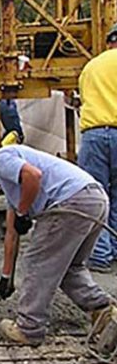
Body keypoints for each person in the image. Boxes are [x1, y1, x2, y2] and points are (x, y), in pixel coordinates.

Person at [0, 124, 114, 346]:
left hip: (70, 202)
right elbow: (11, 233)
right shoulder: (9, 180)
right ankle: (103, 310)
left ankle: (29, 328)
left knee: (38, 263)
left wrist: (23, 211)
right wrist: (6, 277)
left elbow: (33, 175)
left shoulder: (0, 158)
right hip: (94, 200)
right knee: (69, 268)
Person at [78, 24, 117, 272]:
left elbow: (82, 98)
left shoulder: (91, 66)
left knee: (96, 197)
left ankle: (100, 255)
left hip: (94, 135)